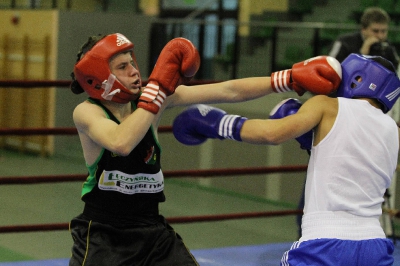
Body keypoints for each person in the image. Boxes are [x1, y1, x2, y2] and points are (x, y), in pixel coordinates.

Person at [67, 32, 342, 266]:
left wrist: (286, 79)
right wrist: (158, 90)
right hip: (104, 235)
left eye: (131, 62)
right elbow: (121, 142)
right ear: (100, 77)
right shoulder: (88, 113)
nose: (134, 71)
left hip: (152, 231)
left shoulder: (151, 98)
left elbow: (228, 91)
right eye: (122, 67)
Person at [172, 53, 400, 265]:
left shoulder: (327, 106)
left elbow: (273, 133)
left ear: (357, 76)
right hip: (375, 245)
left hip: (325, 243)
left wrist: (218, 123)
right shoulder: (393, 130)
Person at [329, 7, 399, 70]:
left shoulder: (387, 46)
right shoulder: (344, 42)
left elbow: (396, 69)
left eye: (383, 31)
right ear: (363, 29)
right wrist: (362, 53)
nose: (380, 36)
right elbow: (331, 67)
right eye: (375, 31)